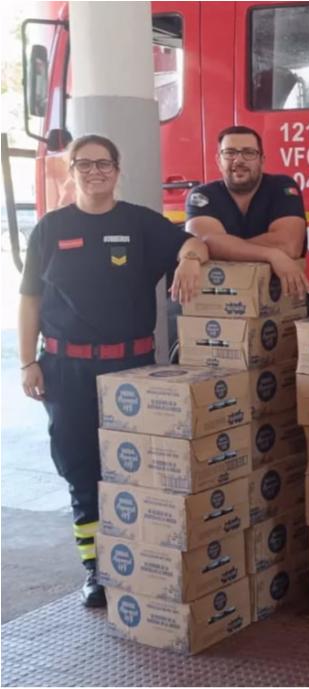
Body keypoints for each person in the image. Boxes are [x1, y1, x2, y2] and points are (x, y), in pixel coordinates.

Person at [18, 134, 209, 608]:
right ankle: (96, 569)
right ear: (71, 171)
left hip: (131, 372)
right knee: (81, 469)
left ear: (117, 171)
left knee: (132, 470)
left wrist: (189, 259)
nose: (94, 172)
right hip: (65, 370)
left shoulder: (140, 223)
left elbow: (193, 242)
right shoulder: (50, 228)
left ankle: (138, 560)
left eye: (103, 164)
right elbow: (30, 300)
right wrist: (27, 361)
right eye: (84, 164)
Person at [185, 125, 309, 296]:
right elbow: (203, 243)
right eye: (230, 152)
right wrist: (272, 254)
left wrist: (225, 247)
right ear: (218, 160)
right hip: (218, 301)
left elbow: (289, 246)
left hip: (279, 303)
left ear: (262, 160)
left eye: (249, 152)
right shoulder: (202, 196)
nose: (238, 160)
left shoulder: (281, 187)